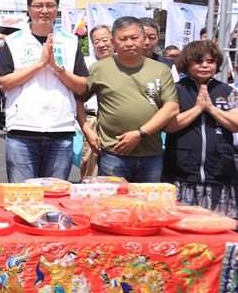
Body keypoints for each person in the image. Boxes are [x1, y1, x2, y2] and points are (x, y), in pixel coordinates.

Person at [0, 0, 88, 182]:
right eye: (38, 5)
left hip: (60, 132)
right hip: (22, 131)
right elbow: (3, 83)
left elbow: (82, 86)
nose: (44, 10)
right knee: (22, 197)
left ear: (57, 9)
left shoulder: (70, 42)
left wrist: (56, 67)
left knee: (53, 198)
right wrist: (39, 65)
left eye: (50, 5)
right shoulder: (14, 41)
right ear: (29, 9)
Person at [80, 16, 179, 183]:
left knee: (148, 206)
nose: (129, 43)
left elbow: (172, 107)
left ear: (143, 38)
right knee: (113, 205)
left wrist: (140, 134)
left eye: (134, 38)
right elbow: (78, 98)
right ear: (113, 41)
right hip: (114, 154)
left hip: (151, 154)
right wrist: (88, 131)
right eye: (123, 38)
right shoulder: (99, 68)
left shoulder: (161, 69)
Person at [162, 40, 238, 217]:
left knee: (218, 230)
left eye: (210, 61)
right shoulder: (175, 90)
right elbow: (169, 126)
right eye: (198, 61)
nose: (205, 65)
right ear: (187, 64)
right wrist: (197, 109)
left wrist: (211, 108)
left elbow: (235, 124)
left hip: (219, 174)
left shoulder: (227, 91)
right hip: (183, 175)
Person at [77, 25, 114, 179]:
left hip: (114, 121)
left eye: (105, 40)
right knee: (89, 163)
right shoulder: (86, 63)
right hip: (92, 119)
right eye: (96, 41)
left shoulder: (122, 62)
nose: (101, 44)